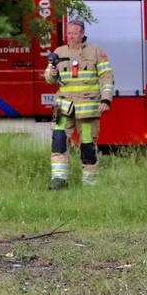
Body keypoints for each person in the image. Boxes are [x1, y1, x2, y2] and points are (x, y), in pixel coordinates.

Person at [45, 20, 114, 189]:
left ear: (82, 34)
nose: (70, 36)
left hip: (88, 109)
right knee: (58, 141)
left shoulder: (96, 51)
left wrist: (106, 99)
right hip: (63, 107)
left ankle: (90, 185)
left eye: (74, 33)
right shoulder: (59, 52)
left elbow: (106, 76)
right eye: (68, 33)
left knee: (88, 147)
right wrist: (51, 73)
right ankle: (59, 180)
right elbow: (49, 78)